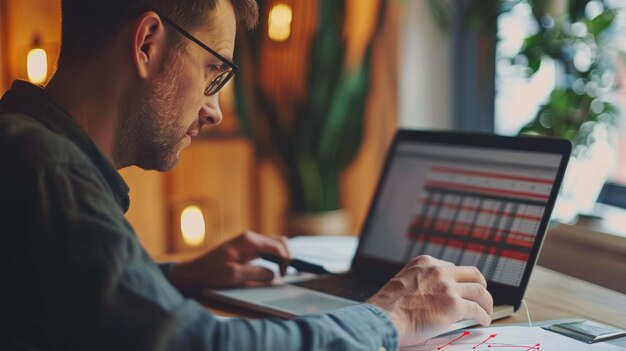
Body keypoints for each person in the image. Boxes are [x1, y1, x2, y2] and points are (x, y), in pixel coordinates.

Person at [0, 0, 494, 350]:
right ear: (147, 42)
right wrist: (390, 317)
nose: (215, 110)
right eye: (214, 71)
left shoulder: (22, 147)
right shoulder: (52, 172)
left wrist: (174, 278)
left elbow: (64, 295)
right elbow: (202, 345)